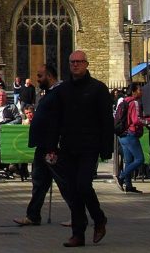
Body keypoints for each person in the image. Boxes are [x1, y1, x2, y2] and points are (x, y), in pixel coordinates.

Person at [53, 50, 112, 247]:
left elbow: (106, 120)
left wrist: (106, 148)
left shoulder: (98, 88)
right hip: (69, 146)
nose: (75, 65)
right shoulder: (63, 90)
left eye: (79, 62)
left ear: (86, 64)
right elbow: (57, 121)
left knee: (83, 186)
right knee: (72, 190)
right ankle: (78, 234)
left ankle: (99, 218)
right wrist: (52, 145)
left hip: (90, 146)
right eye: (72, 62)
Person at [13, 63, 63, 227]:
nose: (37, 79)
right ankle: (33, 215)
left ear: (49, 76)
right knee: (39, 181)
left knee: (63, 181)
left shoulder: (59, 94)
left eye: (40, 76)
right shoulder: (49, 93)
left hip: (51, 147)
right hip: (42, 145)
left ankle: (79, 214)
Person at [117, 82, 145, 194]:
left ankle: (128, 185)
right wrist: (148, 120)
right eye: (139, 90)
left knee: (129, 161)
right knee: (140, 159)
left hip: (122, 135)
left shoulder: (124, 101)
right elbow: (136, 120)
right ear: (134, 91)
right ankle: (122, 176)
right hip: (130, 134)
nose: (141, 92)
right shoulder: (134, 102)